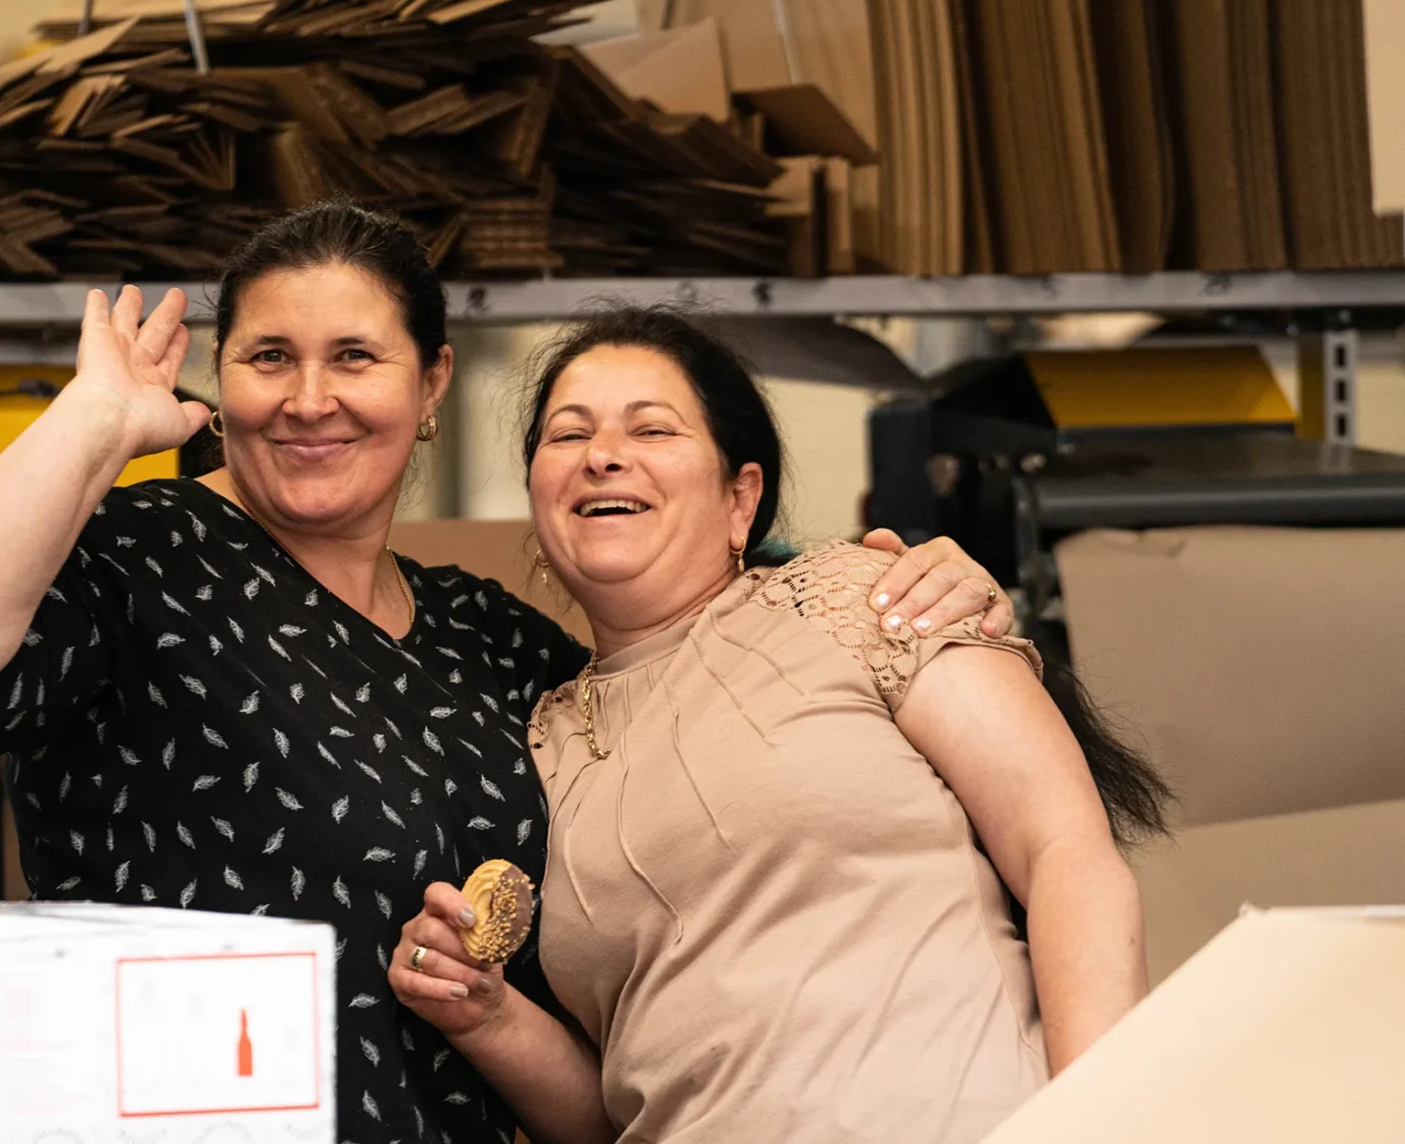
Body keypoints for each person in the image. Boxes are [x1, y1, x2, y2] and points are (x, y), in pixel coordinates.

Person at [0, 203, 1022, 1144]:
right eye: (268, 357)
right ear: (215, 383)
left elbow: (703, 708)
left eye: (355, 355)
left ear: (431, 384)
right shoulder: (142, 562)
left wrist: (894, 593)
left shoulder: (488, 637)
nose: (310, 398)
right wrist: (89, 425)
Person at [387, 307, 1170, 1144]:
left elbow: (1065, 850)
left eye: (652, 427)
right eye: (565, 434)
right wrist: (487, 1014)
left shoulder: (862, 596)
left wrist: (1096, 1118)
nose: (602, 454)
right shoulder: (542, 743)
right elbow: (618, 1104)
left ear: (740, 498)